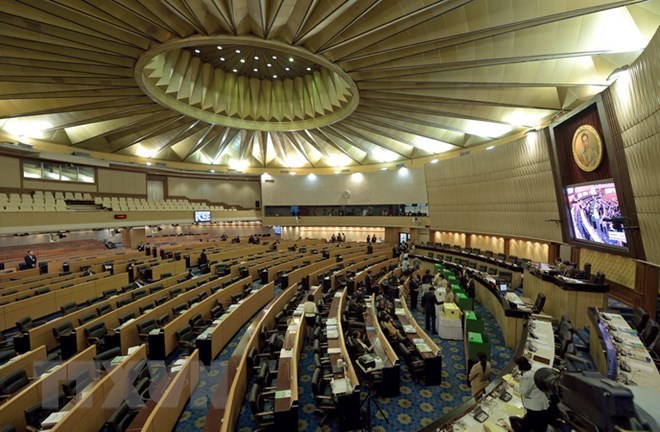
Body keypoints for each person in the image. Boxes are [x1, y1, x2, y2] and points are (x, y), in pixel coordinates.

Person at [509, 357, 550, 432]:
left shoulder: (526, 376)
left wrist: (513, 386)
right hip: (540, 402)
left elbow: (524, 392)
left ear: (520, 366)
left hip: (535, 405)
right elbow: (530, 382)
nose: (516, 367)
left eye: (517, 365)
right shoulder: (531, 372)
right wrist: (520, 378)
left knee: (528, 424)